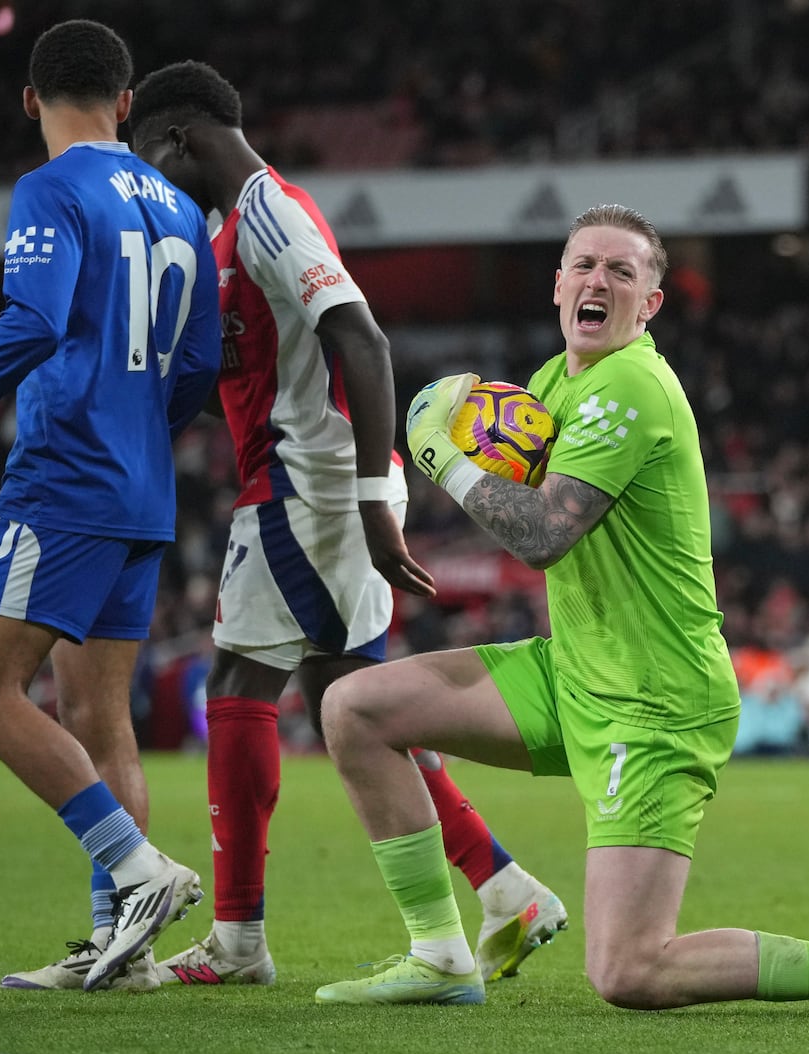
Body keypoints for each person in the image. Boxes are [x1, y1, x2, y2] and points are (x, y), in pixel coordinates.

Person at [310, 203, 809, 1016]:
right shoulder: (554, 381)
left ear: (650, 303)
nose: (599, 281)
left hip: (654, 700)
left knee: (629, 971)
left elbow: (545, 533)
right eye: (584, 265)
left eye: (623, 271)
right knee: (356, 708)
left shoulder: (633, 388)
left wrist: (443, 456)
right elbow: (519, 484)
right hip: (574, 671)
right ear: (557, 284)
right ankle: (441, 954)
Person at [127, 60, 565, 987]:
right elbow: (255, 377)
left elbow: (361, 338)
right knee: (356, 702)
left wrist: (370, 502)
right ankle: (503, 886)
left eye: (148, 164)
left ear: (176, 140)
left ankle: (243, 941)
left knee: (239, 683)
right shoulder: (232, 228)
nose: (149, 188)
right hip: (304, 482)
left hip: (310, 487)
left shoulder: (271, 210)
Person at [0, 20, 222, 992]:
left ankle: (136, 871)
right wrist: (138, 428)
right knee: (96, 712)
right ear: (128, 104)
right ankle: (121, 951)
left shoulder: (51, 187)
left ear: (31, 101)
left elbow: (33, 316)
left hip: (64, 479)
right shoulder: (175, 204)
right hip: (143, 486)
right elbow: (198, 363)